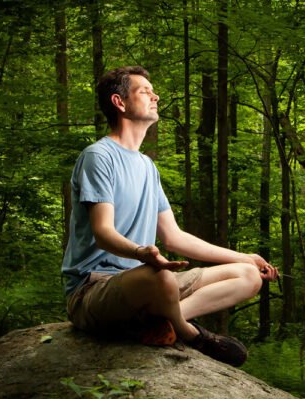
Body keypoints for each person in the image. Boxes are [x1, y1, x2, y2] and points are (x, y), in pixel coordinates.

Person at [61, 65, 278, 367]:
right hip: (94, 289)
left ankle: (162, 323)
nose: (156, 97)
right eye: (145, 92)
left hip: (149, 284)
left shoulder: (147, 167)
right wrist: (142, 253)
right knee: (159, 276)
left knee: (247, 276)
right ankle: (191, 333)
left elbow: (175, 237)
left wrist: (245, 257)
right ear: (119, 102)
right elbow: (103, 232)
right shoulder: (99, 157)